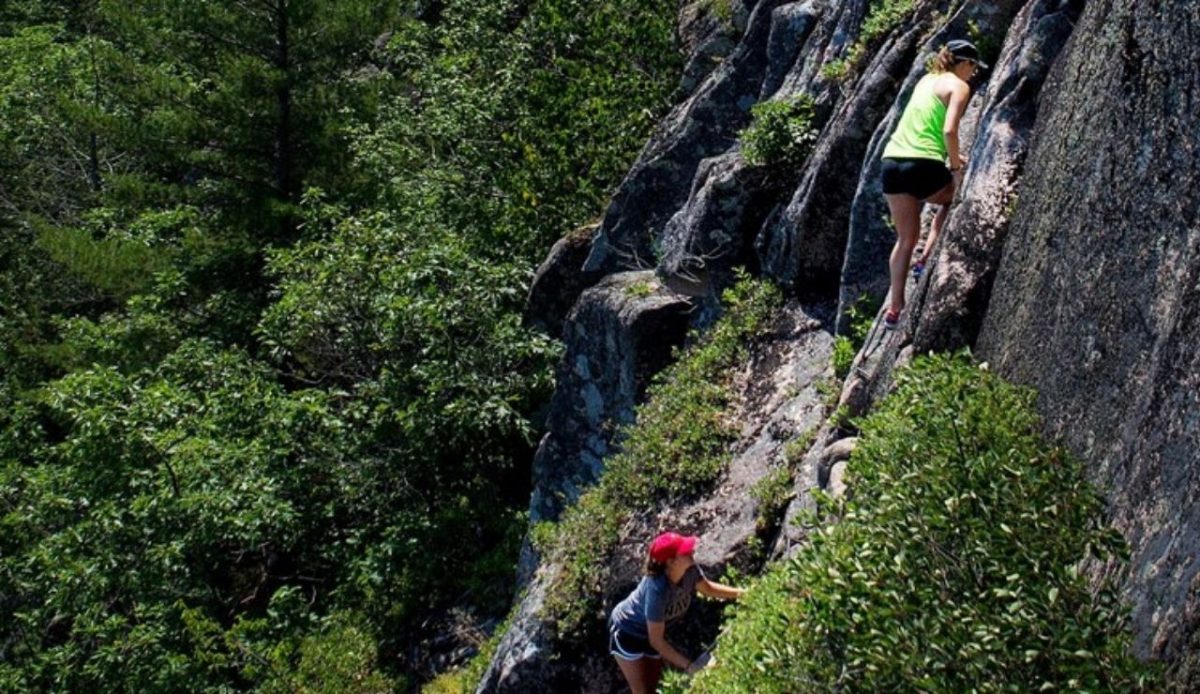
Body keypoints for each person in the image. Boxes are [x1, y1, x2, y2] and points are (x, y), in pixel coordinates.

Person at [879, 39, 987, 329]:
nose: (974, 74)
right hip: (922, 163)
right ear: (964, 63)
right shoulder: (958, 86)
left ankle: (895, 309)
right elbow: (950, 129)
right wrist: (955, 168)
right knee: (954, 198)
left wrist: (953, 155)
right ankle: (927, 257)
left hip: (892, 161)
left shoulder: (927, 80)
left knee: (904, 239)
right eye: (973, 67)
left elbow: (924, 126)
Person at [608, 531, 745, 693]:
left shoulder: (690, 570)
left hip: (650, 633)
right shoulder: (657, 588)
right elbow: (656, 641)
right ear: (671, 562)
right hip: (626, 632)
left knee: (655, 683)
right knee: (642, 690)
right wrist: (690, 666)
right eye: (685, 552)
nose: (692, 551)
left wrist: (744, 593)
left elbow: (708, 589)